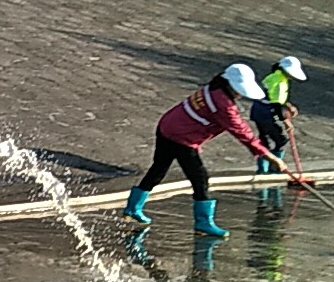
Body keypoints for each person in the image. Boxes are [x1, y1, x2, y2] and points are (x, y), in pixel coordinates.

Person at [122, 63, 290, 238]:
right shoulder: (223, 106)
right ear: (229, 84)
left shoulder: (213, 88)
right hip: (181, 139)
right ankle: (203, 223)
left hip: (167, 126)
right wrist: (272, 158)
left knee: (158, 169)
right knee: (200, 179)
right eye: (239, 90)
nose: (241, 94)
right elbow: (244, 134)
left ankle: (133, 208)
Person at [251, 56, 306, 174]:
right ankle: (275, 168)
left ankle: (262, 169)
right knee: (281, 140)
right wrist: (285, 121)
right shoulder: (281, 82)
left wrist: (288, 105)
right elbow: (276, 105)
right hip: (269, 113)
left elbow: (271, 96)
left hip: (258, 110)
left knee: (264, 139)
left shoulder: (272, 76)